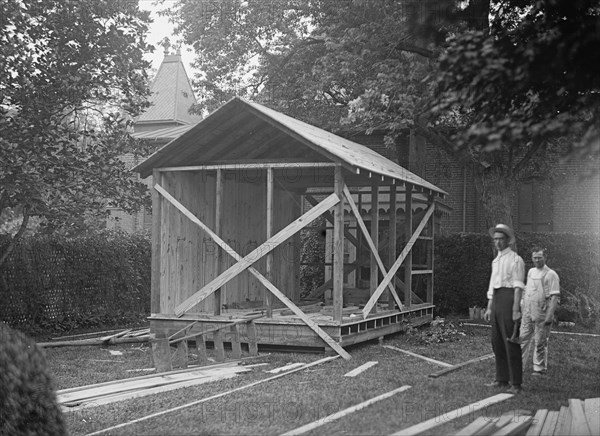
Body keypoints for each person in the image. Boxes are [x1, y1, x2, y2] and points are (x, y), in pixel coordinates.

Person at [483, 224, 525, 394]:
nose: (498, 242)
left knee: (510, 341)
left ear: (507, 240)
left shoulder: (516, 260)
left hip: (509, 300)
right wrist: (488, 308)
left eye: (501, 239)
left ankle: (516, 383)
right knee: (497, 342)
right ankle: (501, 379)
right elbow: (492, 287)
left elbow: (518, 287)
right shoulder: (496, 260)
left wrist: (516, 309)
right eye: (496, 240)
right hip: (497, 301)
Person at [519, 247, 560, 376]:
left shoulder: (551, 274)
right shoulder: (531, 271)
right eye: (534, 257)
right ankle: (517, 366)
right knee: (522, 338)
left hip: (541, 311)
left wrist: (549, 315)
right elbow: (527, 290)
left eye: (539, 257)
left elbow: (554, 297)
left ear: (545, 257)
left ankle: (539, 369)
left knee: (540, 341)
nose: (536, 260)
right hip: (527, 310)